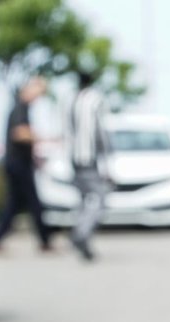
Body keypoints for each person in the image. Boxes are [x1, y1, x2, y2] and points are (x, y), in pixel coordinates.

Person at [0, 76, 53, 252]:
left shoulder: (22, 108)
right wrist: (45, 138)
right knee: (33, 203)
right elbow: (19, 133)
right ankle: (44, 240)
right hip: (18, 165)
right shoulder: (20, 108)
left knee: (14, 205)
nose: (39, 96)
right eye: (38, 91)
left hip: (19, 163)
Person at [66, 71, 107, 262]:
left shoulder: (71, 100)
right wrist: (107, 162)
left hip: (73, 157)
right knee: (98, 198)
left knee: (83, 200)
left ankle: (80, 234)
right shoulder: (94, 100)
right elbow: (99, 132)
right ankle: (81, 234)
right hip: (89, 157)